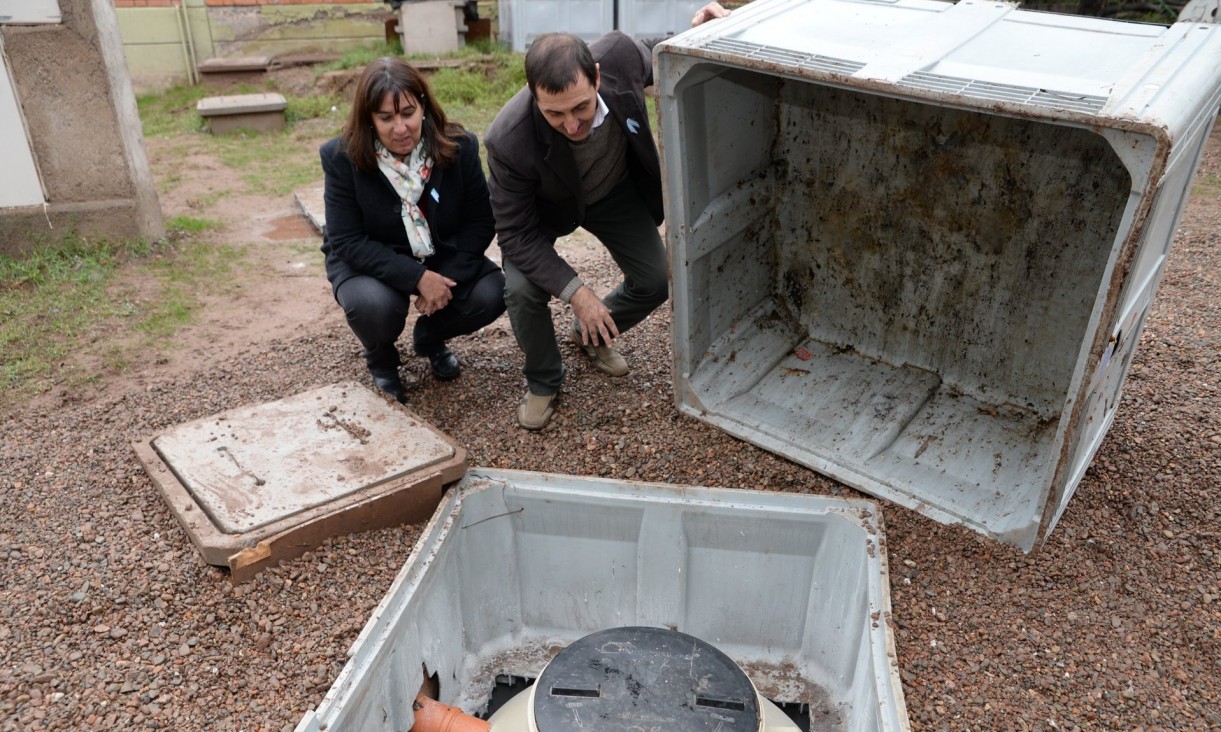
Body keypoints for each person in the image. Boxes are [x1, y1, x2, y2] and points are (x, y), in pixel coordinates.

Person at [484, 2, 731, 430]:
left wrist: (702, 33)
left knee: (655, 280)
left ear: (597, 75)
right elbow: (516, 235)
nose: (572, 124)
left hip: (613, 190)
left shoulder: (619, 56)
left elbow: (667, 53)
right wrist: (579, 294)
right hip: (546, 211)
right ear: (533, 94)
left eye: (580, 107)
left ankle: (590, 337)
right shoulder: (508, 141)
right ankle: (544, 380)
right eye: (554, 114)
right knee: (523, 290)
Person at [320, 57, 505, 403]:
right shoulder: (341, 157)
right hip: (371, 259)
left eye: (407, 113)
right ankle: (382, 359)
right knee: (372, 306)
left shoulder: (459, 146)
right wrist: (416, 278)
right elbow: (346, 240)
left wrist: (441, 278)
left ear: (423, 106)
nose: (400, 128)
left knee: (493, 293)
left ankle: (431, 337)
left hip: (440, 255)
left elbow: (481, 220)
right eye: (385, 118)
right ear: (369, 119)